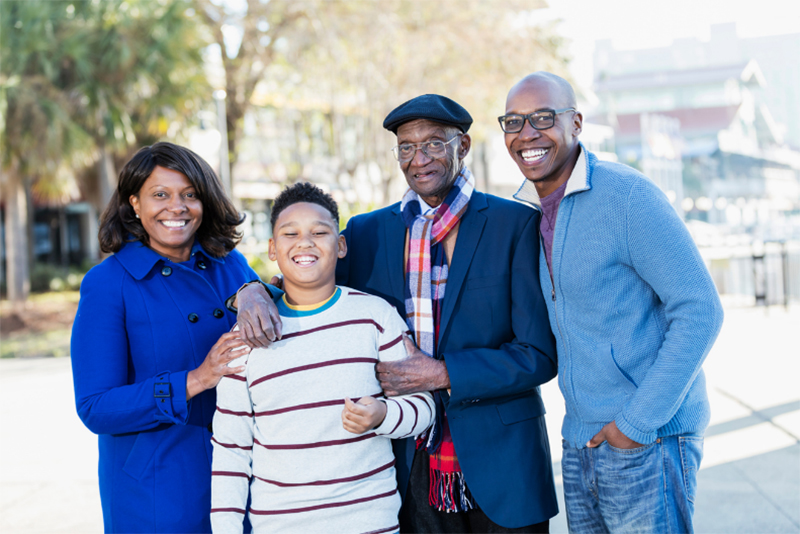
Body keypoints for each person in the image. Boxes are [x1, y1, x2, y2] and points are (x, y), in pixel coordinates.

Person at [236, 94, 559, 533]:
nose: (418, 158)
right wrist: (249, 288)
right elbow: (302, 270)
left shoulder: (513, 224)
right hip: (407, 461)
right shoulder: (369, 232)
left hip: (504, 460)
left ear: (462, 146)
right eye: (406, 147)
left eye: (433, 144)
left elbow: (538, 355)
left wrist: (441, 373)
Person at [500, 72, 724, 534]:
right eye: (514, 121)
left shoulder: (627, 196)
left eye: (543, 117)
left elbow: (700, 309)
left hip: (648, 440)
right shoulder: (531, 213)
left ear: (576, 123)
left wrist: (635, 424)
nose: (527, 134)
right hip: (582, 443)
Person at [210, 182, 435, 533]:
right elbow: (231, 448)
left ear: (341, 245)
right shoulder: (248, 335)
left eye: (320, 231)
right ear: (272, 248)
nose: (305, 242)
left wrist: (383, 415)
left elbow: (424, 408)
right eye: (290, 233)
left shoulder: (376, 316)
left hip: (370, 523)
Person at [71, 142, 272, 533]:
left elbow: (266, 308)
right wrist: (198, 378)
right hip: (156, 487)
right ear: (134, 203)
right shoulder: (108, 283)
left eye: (189, 194)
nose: (176, 207)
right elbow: (95, 406)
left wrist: (257, 289)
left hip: (241, 476)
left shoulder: (229, 264)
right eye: (160, 195)